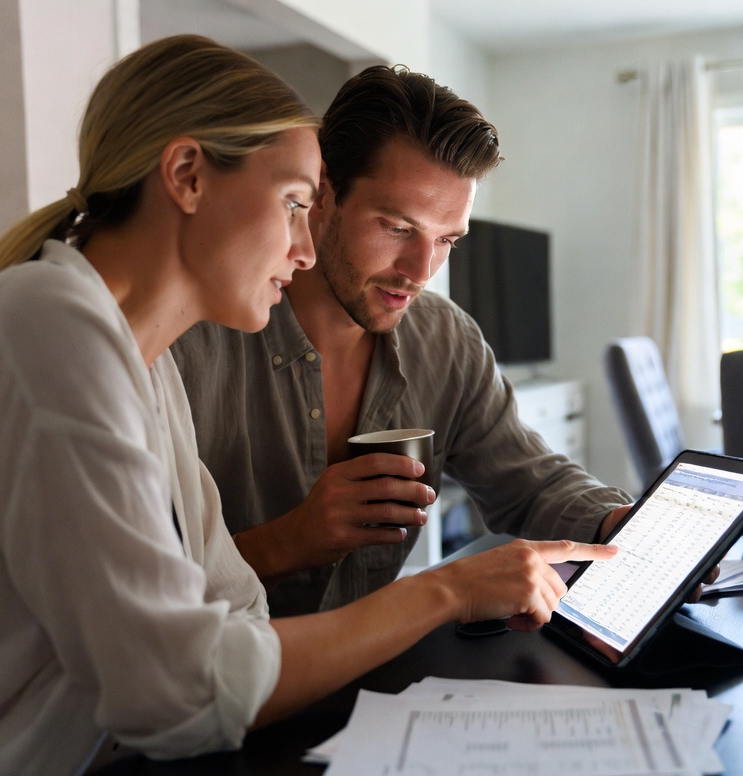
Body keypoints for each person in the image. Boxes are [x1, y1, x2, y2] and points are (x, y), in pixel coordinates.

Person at [0, 35, 615, 776]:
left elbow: (230, 612)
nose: (303, 249)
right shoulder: (51, 329)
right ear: (188, 176)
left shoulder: (137, 364)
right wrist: (448, 589)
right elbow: (185, 691)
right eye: (297, 202)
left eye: (446, 240)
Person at [171, 65, 635, 617]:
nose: (421, 270)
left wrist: (619, 524)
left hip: (381, 683)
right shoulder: (190, 344)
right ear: (322, 194)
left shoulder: (445, 338)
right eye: (397, 228)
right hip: (235, 691)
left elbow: (529, 483)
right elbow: (131, 587)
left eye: (446, 241)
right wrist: (288, 541)